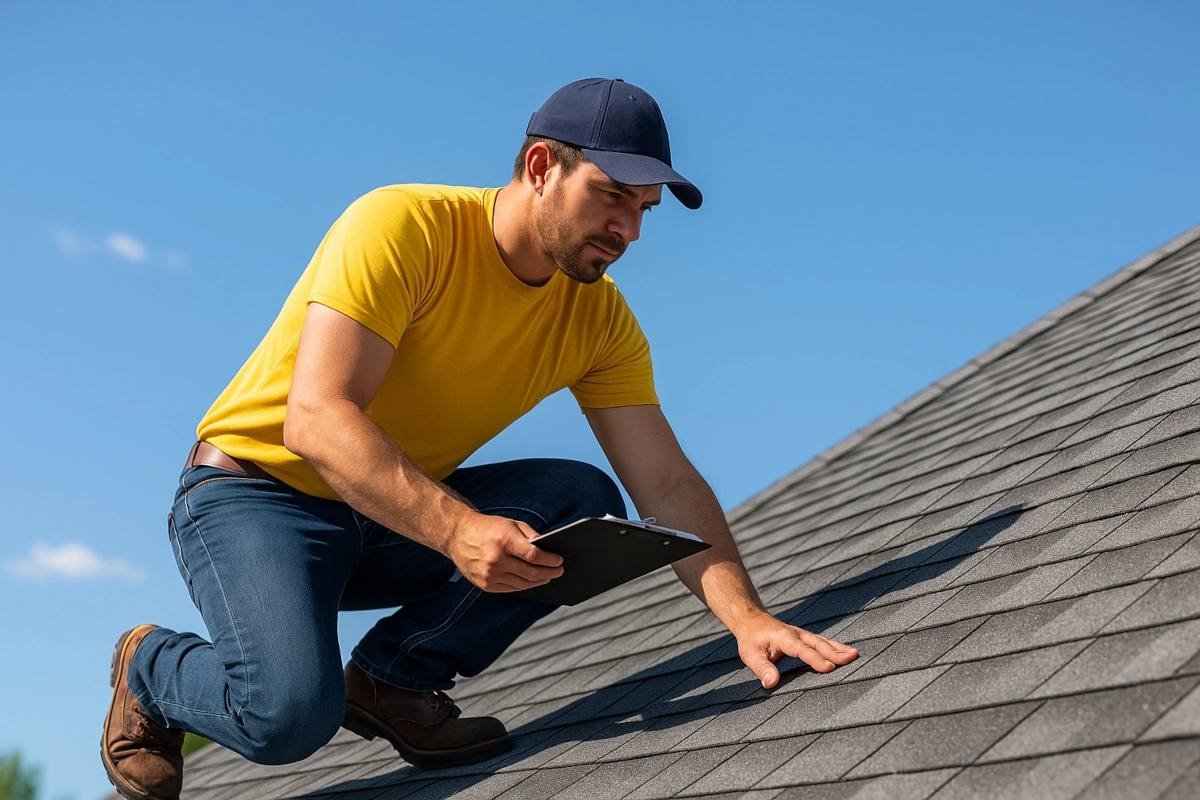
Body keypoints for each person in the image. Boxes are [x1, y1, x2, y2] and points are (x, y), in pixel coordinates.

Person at [101, 78, 860, 800]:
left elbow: (666, 482)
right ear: (541, 167)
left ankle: (395, 680)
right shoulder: (404, 227)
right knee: (288, 718)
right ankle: (149, 667)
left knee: (580, 501)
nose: (628, 231)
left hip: (382, 518)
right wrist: (457, 530)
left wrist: (747, 618)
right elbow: (318, 419)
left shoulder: (600, 321)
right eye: (612, 197)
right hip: (255, 495)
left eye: (644, 211)